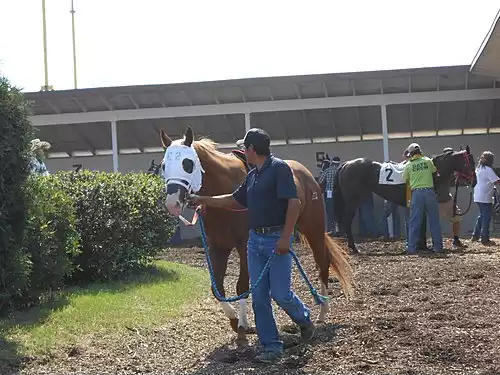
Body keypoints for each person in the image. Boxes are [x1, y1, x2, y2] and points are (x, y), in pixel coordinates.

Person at [188, 128, 315, 363]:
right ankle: (271, 346)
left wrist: (286, 237)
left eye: (244, 147)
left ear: (252, 150)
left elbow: (294, 203)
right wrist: (202, 200)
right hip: (254, 240)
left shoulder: (279, 169)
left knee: (281, 294)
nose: (242, 151)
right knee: (259, 297)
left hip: (276, 239)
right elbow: (234, 200)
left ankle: (305, 319)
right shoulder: (253, 175)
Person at [403, 143, 443, 254]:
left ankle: (412, 248)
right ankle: (438, 247)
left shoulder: (408, 165)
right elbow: (435, 173)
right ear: (420, 151)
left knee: (414, 222)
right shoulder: (427, 161)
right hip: (430, 192)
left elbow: (405, 178)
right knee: (434, 220)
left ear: (410, 153)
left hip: (417, 194)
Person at [435, 147, 465, 248]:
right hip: (438, 199)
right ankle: (439, 242)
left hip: (445, 198)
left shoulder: (449, 169)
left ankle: (455, 239)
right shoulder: (440, 168)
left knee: (456, 218)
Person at [471, 151, 500, 245]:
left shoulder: (478, 168)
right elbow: (496, 181)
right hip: (485, 196)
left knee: (482, 216)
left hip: (478, 195)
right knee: (486, 217)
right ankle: (484, 237)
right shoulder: (488, 169)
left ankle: (475, 235)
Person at [318, 155, 340, 234]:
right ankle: (338, 229)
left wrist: (321, 172)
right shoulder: (339, 170)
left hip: (329, 193)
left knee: (329, 211)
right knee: (337, 211)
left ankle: (330, 229)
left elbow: (320, 181)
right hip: (338, 194)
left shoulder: (327, 170)